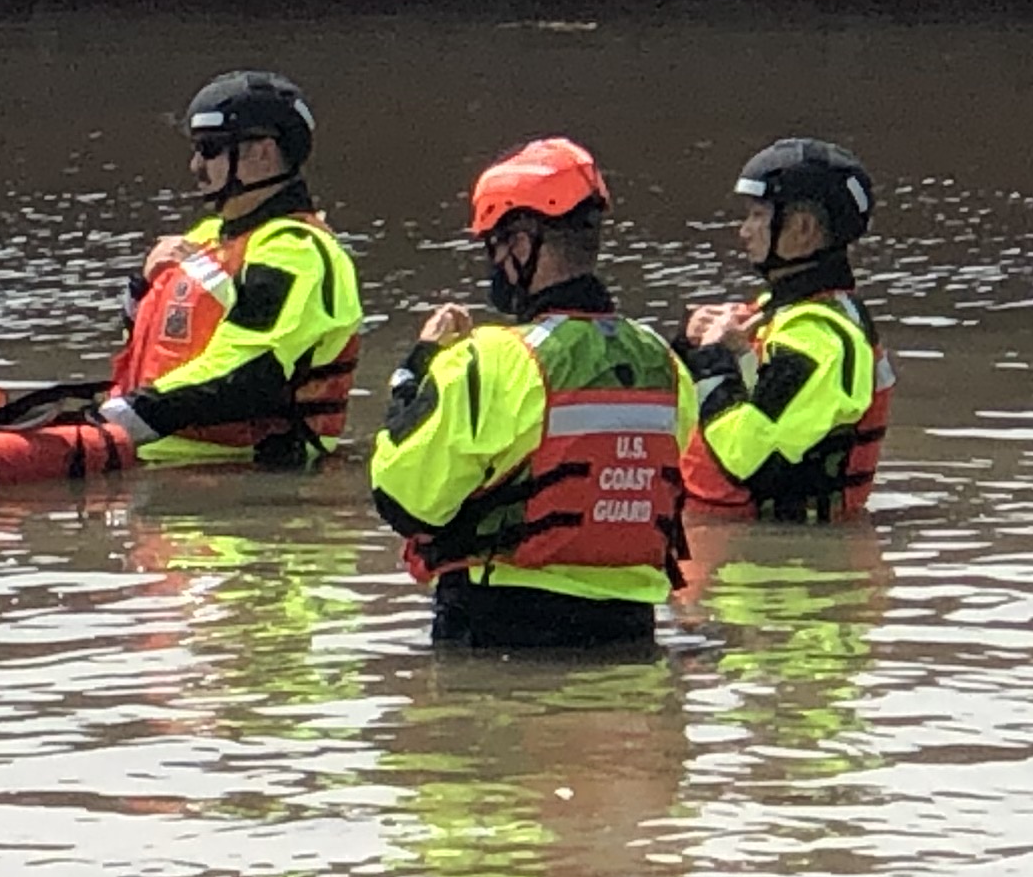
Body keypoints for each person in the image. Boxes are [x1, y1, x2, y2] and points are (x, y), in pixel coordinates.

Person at [367, 138, 695, 653]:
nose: (492, 262)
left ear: (521, 245)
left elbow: (404, 499)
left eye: (493, 245)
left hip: (497, 633)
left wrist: (418, 366)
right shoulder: (663, 362)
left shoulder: (489, 359)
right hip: (630, 636)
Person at [89, 69, 368, 469]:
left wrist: (117, 420)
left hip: (242, 474)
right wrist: (141, 285)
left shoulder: (294, 252)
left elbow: (247, 378)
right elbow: (147, 347)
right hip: (150, 454)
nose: (196, 165)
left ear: (263, 152)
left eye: (211, 148)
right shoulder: (206, 237)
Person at [675, 137, 890, 522]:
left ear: (803, 228)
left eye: (758, 215)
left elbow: (741, 454)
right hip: (725, 543)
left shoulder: (819, 338)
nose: (744, 230)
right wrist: (688, 345)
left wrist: (712, 362)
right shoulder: (779, 311)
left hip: (765, 573)